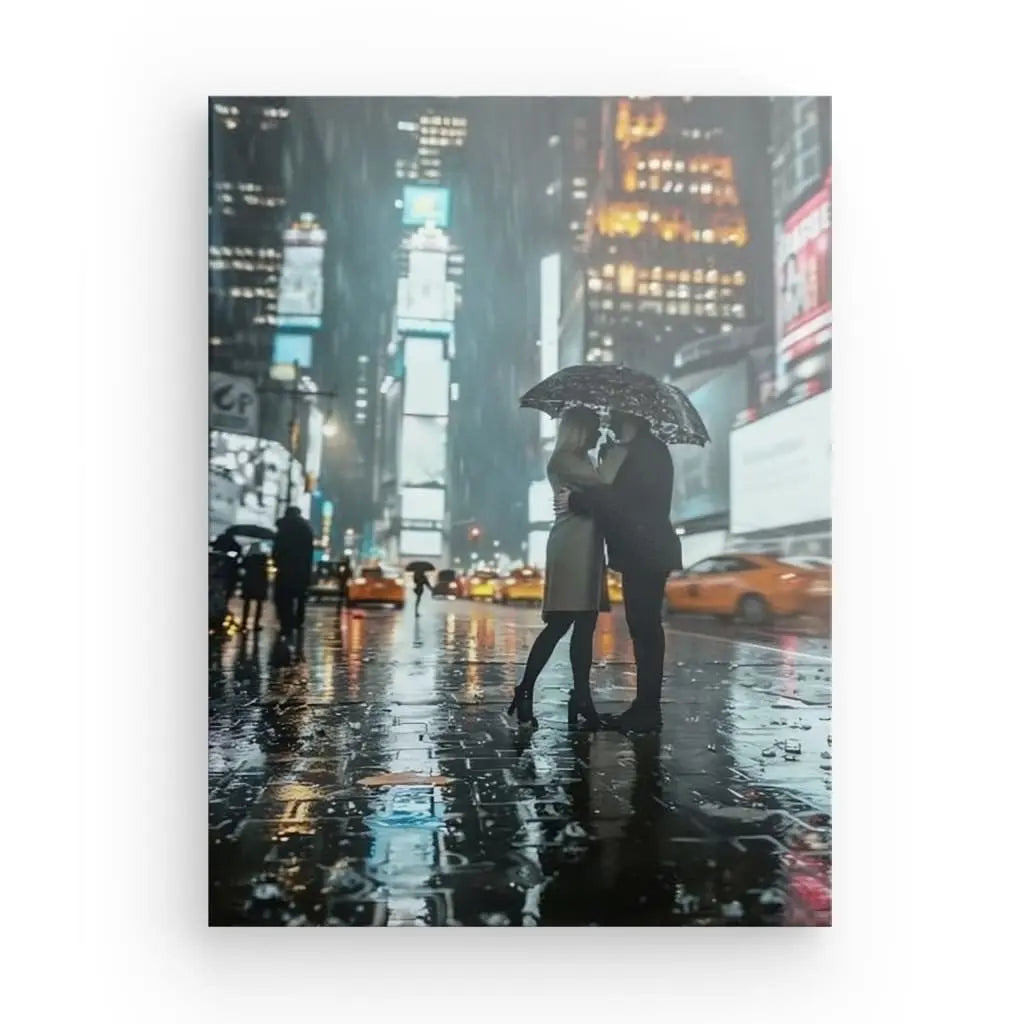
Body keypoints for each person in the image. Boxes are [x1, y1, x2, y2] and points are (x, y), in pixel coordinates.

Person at [555, 410, 682, 733]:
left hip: (647, 552)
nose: (607, 424)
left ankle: (647, 711)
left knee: (647, 631)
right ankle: (644, 708)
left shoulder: (646, 452)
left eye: (612, 418)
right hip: (641, 552)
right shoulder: (643, 450)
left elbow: (620, 501)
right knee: (643, 630)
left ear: (630, 419)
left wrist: (577, 500)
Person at [507, 406, 619, 730]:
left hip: (589, 549)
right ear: (580, 429)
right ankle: (525, 688)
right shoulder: (564, 460)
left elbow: (601, 495)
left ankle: (581, 698)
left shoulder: (582, 460)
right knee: (559, 626)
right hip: (572, 549)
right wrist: (612, 456)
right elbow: (605, 486)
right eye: (595, 428)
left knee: (585, 628)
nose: (599, 433)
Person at [272, 506, 314, 639]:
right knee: (300, 597)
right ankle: (298, 621)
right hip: (301, 568)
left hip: (285, 569)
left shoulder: (283, 528)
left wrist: (277, 561)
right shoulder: (306, 529)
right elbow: (309, 552)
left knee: (283, 598)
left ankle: (286, 623)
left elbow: (277, 550)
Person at [240, 543, 269, 632]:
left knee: (246, 604)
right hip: (260, 583)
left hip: (249, 583)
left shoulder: (248, 558)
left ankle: (244, 624)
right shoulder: (263, 559)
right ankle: (256, 624)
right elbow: (265, 571)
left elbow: (242, 567)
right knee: (259, 604)